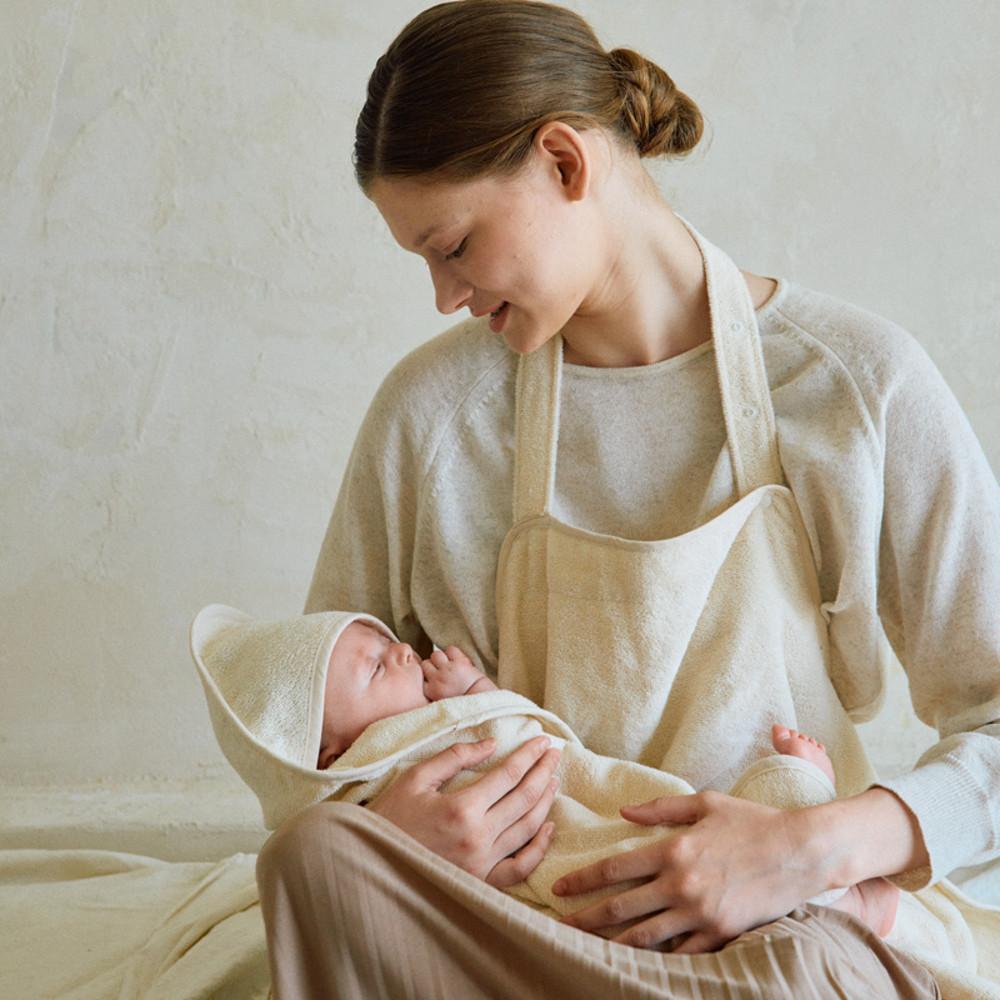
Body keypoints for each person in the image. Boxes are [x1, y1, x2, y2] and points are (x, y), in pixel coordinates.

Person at [253, 1, 1000, 996]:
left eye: (454, 245)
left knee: (807, 964)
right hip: (521, 932)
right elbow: (313, 729)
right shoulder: (428, 419)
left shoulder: (856, 387)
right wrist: (397, 831)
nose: (443, 296)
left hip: (771, 942)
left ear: (564, 162)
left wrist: (809, 847)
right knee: (311, 861)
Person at [190, 602, 901, 937]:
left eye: (389, 640)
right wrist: (386, 843)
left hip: (595, 798)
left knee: (686, 838)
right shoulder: (371, 776)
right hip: (542, 867)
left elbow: (499, 726)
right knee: (632, 878)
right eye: (378, 666)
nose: (405, 652)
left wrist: (474, 694)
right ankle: (823, 870)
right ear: (331, 756)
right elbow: (326, 853)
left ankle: (806, 842)